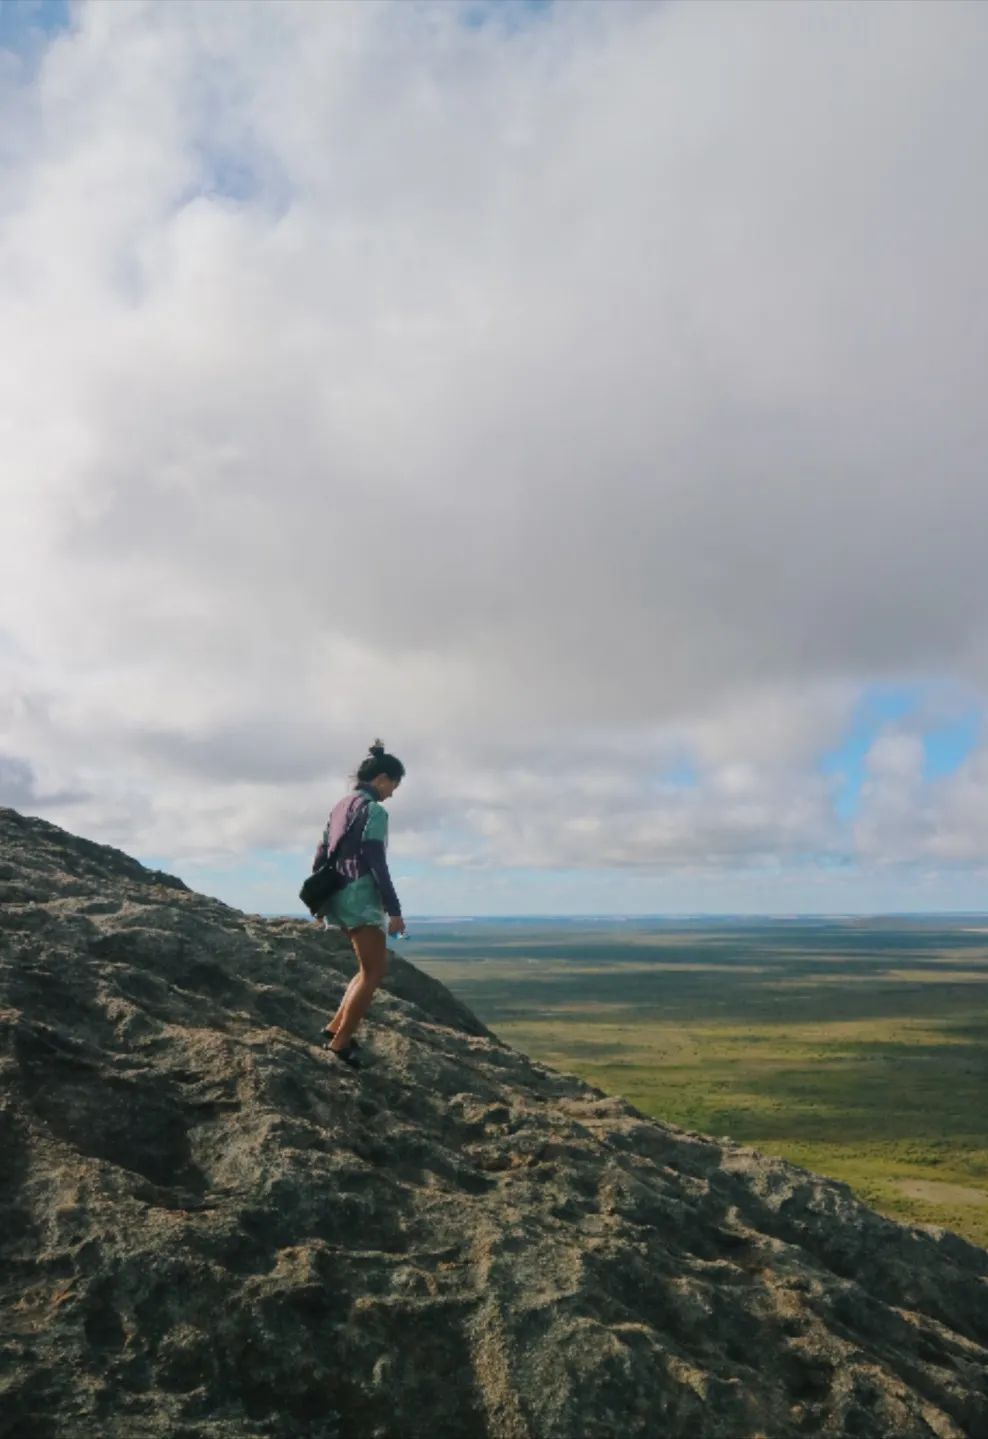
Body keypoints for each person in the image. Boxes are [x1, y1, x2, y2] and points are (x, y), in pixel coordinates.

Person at [314, 739, 406, 1069]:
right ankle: (340, 1045)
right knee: (374, 971)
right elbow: (375, 860)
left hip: (337, 893)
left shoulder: (340, 806)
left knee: (365, 969)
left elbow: (322, 852)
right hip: (361, 896)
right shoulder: (375, 811)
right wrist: (394, 910)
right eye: (394, 785)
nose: (393, 792)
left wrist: (319, 903)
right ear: (382, 778)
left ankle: (335, 1027)